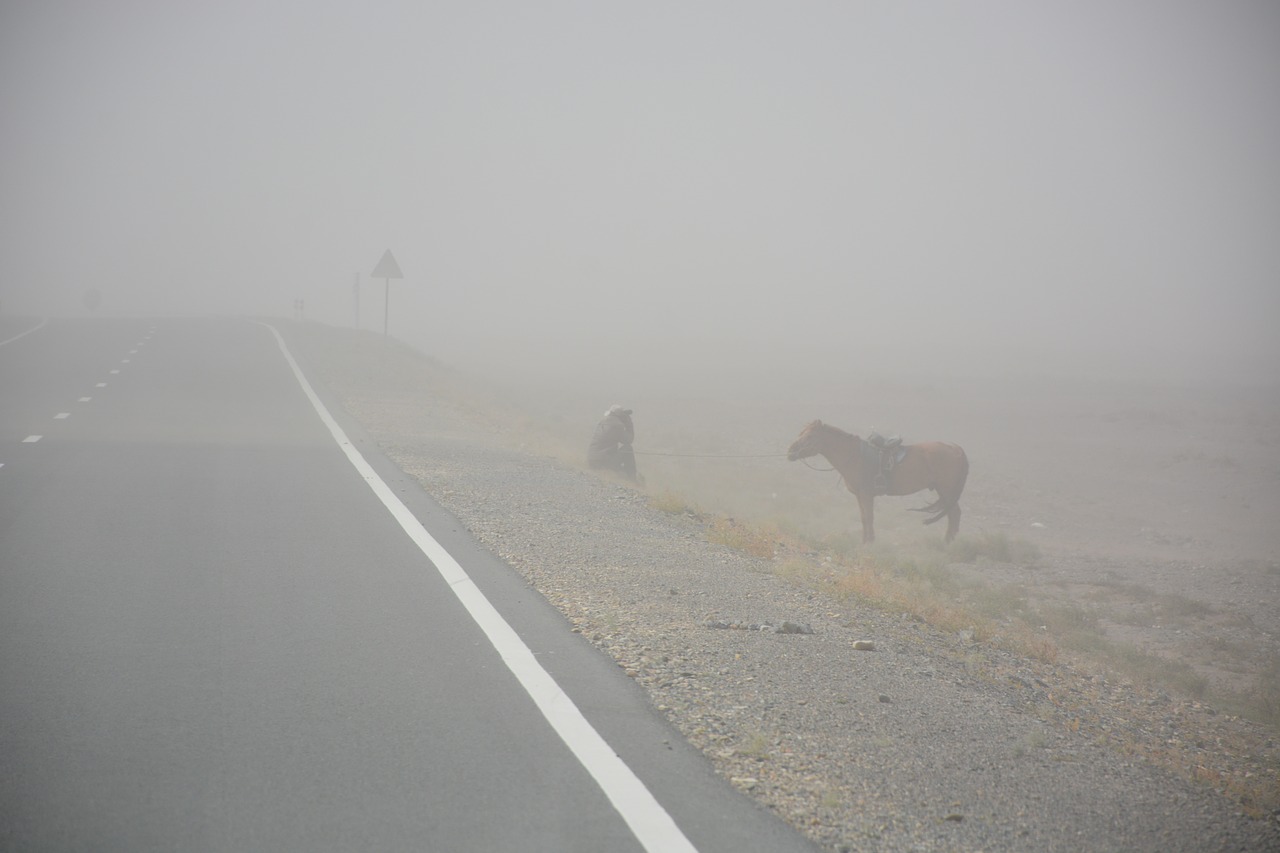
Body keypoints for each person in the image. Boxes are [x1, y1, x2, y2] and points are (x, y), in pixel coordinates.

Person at [587, 404, 638, 482]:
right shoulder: (617, 425)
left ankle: (627, 476)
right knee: (628, 448)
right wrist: (629, 424)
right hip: (603, 462)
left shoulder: (602, 421)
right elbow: (628, 440)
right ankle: (633, 480)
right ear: (620, 416)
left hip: (592, 460)